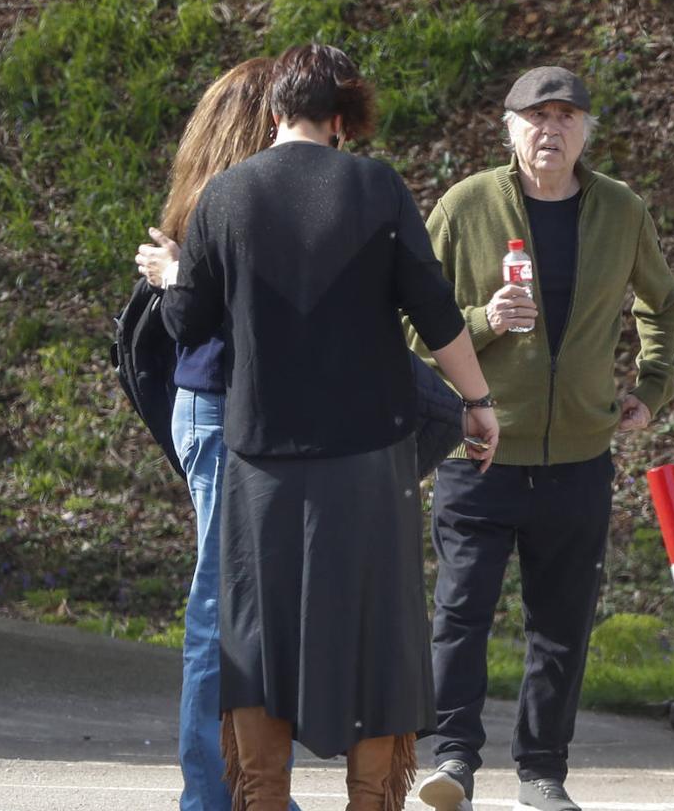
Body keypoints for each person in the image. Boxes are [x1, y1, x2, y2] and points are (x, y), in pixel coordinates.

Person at [160, 43, 499, 811]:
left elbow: (189, 325)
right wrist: (477, 401)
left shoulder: (224, 195)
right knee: (378, 631)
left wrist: (174, 274)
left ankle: (263, 799)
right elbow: (434, 310)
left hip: (259, 456)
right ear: (342, 121)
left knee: (255, 635)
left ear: (275, 110)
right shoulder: (376, 187)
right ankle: (370, 799)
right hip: (369, 455)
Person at [408, 66, 674, 811]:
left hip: (579, 462)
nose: (550, 131)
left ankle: (542, 773)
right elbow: (408, 320)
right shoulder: (467, 206)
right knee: (460, 615)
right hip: (481, 453)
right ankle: (454, 761)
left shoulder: (620, 210)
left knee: (561, 626)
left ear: (587, 130)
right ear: (509, 128)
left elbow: (663, 302)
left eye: (565, 117)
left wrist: (651, 389)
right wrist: (487, 318)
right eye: (536, 118)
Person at [133, 57, 302, 811]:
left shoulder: (223, 197)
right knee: (221, 611)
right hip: (224, 413)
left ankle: (247, 789)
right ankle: (214, 793)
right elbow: (241, 316)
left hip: (227, 412)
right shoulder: (232, 201)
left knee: (246, 611)